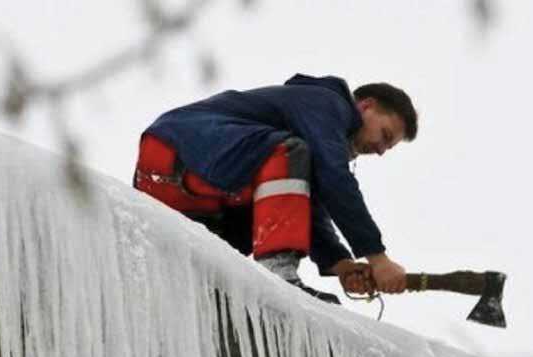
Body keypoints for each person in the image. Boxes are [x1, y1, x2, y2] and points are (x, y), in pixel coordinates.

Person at [133, 73, 417, 303]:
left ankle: (202, 280)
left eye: (387, 148)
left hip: (174, 178)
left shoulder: (311, 142)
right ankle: (279, 275)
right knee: (290, 151)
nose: (380, 150)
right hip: (179, 148)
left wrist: (342, 265)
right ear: (366, 106)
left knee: (255, 223)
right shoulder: (327, 104)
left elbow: (301, 206)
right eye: (385, 135)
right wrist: (378, 258)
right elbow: (335, 179)